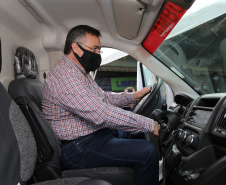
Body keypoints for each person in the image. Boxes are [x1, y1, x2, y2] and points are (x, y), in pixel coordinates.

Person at [42, 25, 160, 185]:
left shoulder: (80, 72)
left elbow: (102, 99)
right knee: (148, 152)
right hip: (78, 147)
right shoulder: (65, 76)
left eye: (99, 50)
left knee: (137, 134)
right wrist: (149, 124)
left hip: (93, 135)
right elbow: (101, 114)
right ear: (76, 47)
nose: (97, 54)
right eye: (95, 49)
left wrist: (132, 97)